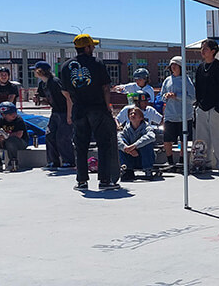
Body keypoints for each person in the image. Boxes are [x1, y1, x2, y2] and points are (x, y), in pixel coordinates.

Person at [61, 34, 120, 191]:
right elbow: (105, 87)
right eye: (91, 46)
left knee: (80, 146)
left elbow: (65, 92)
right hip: (97, 108)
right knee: (104, 144)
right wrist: (108, 106)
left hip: (79, 109)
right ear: (86, 47)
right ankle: (105, 181)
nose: (93, 48)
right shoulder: (97, 63)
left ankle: (82, 181)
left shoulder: (65, 66)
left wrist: (72, 109)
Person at [194, 38, 219, 172]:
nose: (202, 51)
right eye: (201, 48)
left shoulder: (218, 67)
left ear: (213, 51)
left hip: (216, 108)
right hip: (202, 108)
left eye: (206, 49)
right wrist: (198, 104)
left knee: (218, 136)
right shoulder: (200, 67)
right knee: (202, 138)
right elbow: (197, 87)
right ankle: (205, 163)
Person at [33, 61, 75, 170]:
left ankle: (68, 161)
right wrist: (39, 100)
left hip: (64, 111)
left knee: (63, 137)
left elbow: (68, 97)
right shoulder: (42, 84)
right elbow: (47, 100)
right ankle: (53, 161)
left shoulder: (55, 82)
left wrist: (69, 115)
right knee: (50, 135)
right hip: (55, 112)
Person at [160, 56, 195, 167]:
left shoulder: (186, 80)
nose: (173, 67)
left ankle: (182, 160)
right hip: (170, 115)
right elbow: (161, 96)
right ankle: (169, 161)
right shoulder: (167, 80)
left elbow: (192, 98)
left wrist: (177, 96)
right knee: (167, 140)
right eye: (172, 65)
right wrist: (166, 96)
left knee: (183, 140)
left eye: (176, 65)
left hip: (184, 115)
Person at [118, 107, 157, 181]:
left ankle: (148, 169)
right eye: (130, 114)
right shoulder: (126, 129)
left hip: (144, 158)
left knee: (146, 143)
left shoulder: (147, 127)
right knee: (121, 144)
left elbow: (151, 136)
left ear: (141, 118)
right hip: (131, 156)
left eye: (135, 113)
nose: (132, 115)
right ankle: (127, 170)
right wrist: (126, 148)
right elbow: (118, 139)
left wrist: (134, 146)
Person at [0, 102, 27, 172]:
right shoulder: (1, 121)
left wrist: (7, 136)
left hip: (20, 143)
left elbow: (19, 134)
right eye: (10, 114)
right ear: (3, 115)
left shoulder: (18, 120)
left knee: (11, 141)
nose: (14, 115)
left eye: (14, 113)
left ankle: (13, 163)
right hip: (4, 142)